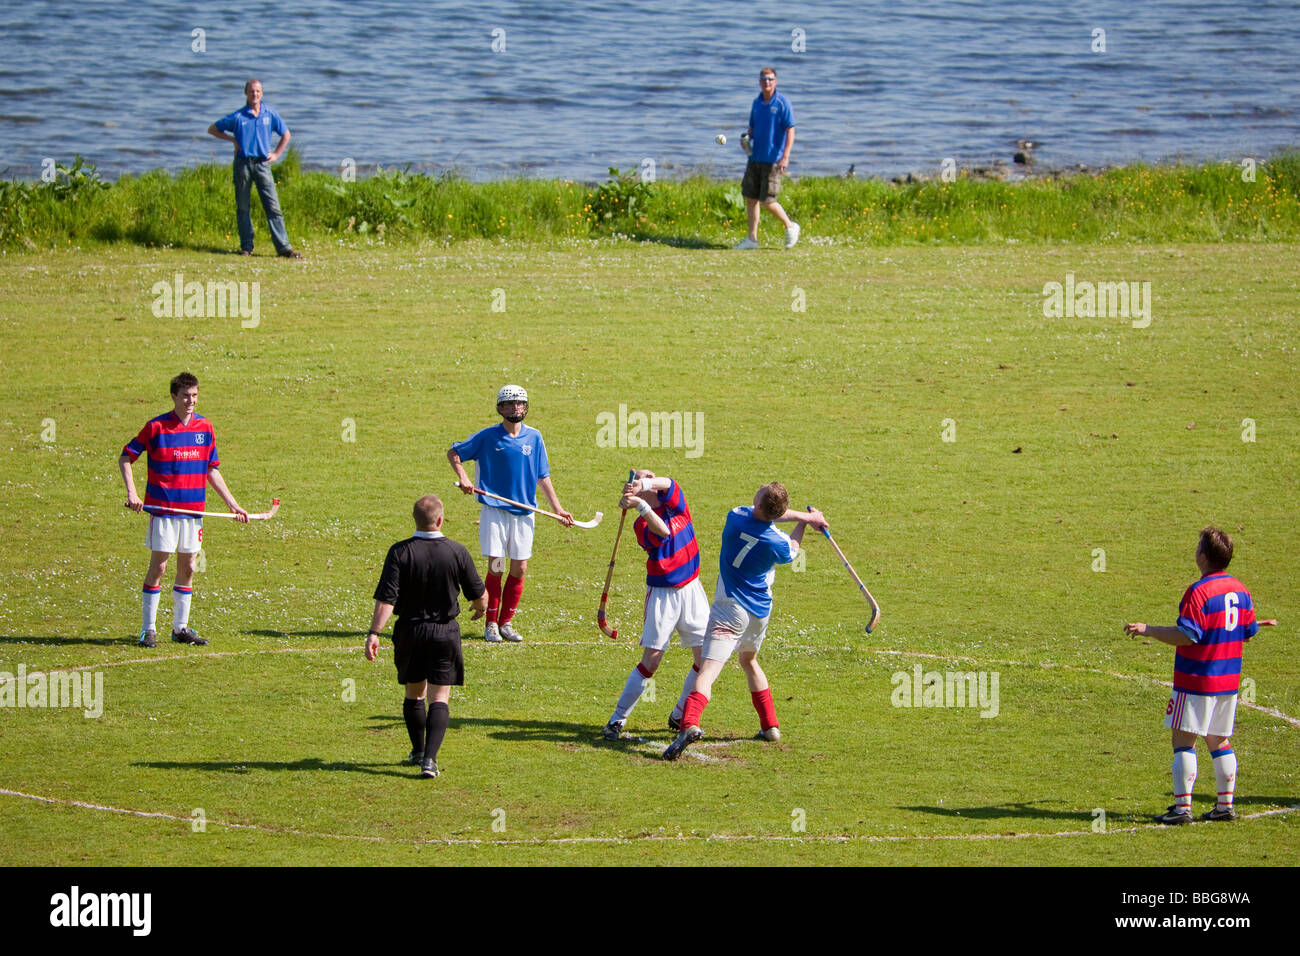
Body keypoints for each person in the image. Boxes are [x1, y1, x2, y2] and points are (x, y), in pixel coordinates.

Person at [1124, 527, 1277, 823]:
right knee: (1219, 741)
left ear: (1203, 557)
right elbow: (1246, 632)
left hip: (1196, 680)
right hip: (1228, 681)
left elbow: (1188, 635)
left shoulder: (1200, 591)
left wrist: (1149, 630)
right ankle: (1224, 807)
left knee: (1183, 741)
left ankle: (1182, 810)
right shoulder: (1241, 590)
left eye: (1197, 547)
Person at [663, 482, 827, 760]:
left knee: (707, 671)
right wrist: (807, 521)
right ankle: (770, 726)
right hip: (759, 612)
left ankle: (689, 723)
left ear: (759, 506)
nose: (758, 491)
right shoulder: (776, 543)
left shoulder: (735, 517)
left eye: (760, 493)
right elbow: (792, 548)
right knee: (749, 661)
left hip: (730, 609)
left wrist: (804, 518)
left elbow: (770, 516)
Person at [119, 372, 248, 647]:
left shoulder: (205, 428)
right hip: (163, 511)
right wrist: (132, 492)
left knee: (188, 567)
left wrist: (232, 504)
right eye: (186, 396)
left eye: (195, 396)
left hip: (193, 513)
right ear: (174, 397)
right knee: (160, 567)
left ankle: (180, 628)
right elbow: (126, 457)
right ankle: (148, 629)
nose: (191, 401)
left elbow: (211, 470)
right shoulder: (156, 427)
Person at [364, 495, 487, 779]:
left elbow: (386, 600)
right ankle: (430, 761)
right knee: (440, 697)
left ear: (414, 520)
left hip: (410, 631)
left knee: (413, 693)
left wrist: (374, 633)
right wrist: (480, 609)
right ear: (441, 520)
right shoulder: (457, 551)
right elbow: (479, 595)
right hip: (445, 632)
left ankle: (418, 750)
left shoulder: (399, 552)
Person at [447, 385, 574, 643]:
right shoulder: (487, 437)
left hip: (525, 511)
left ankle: (506, 622)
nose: (515, 407)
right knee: (497, 565)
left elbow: (543, 476)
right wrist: (464, 478)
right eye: (510, 403)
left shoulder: (535, 438)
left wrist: (558, 509)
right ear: (500, 408)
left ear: (525, 407)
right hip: (494, 509)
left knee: (520, 568)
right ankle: (491, 623)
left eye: (520, 403)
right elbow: (455, 453)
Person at [600, 471, 710, 740]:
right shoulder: (641, 525)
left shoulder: (675, 501)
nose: (650, 477)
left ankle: (680, 712)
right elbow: (662, 531)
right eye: (642, 477)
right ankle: (617, 719)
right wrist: (640, 504)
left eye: (649, 476)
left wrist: (645, 485)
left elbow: (670, 482)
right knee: (652, 661)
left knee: (705, 659)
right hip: (663, 595)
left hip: (692, 589)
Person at [207, 79, 304, 258]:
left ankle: (284, 248)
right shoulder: (238, 117)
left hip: (262, 165)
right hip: (243, 164)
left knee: (273, 206)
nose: (255, 94)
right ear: (246, 93)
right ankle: (246, 247)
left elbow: (286, 134)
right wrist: (233, 140)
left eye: (258, 91)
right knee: (243, 206)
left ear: (262, 93)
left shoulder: (269, 114)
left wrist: (275, 155)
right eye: (252, 91)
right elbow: (212, 129)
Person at [734, 66, 799, 250]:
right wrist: (746, 140)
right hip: (754, 158)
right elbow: (752, 128)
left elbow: (790, 130)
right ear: (759, 82)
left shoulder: (782, 103)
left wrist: (785, 157)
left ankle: (790, 226)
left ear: (775, 82)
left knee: (768, 200)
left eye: (770, 79)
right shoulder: (757, 103)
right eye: (763, 79)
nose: (767, 83)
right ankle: (751, 239)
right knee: (751, 198)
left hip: (773, 159)